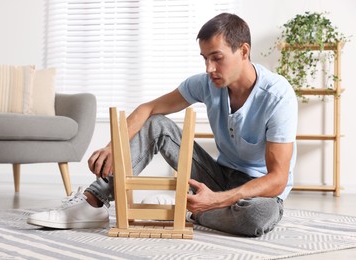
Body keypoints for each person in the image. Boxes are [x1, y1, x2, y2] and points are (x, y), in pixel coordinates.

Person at [27, 12, 297, 237]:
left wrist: (214, 200)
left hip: (259, 192)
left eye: (216, 58)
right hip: (218, 175)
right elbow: (149, 108)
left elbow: (277, 179)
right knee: (157, 124)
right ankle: (94, 203)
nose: (208, 68)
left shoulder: (277, 95)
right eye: (204, 58)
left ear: (244, 51)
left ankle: (185, 209)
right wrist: (113, 146)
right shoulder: (206, 83)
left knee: (256, 217)